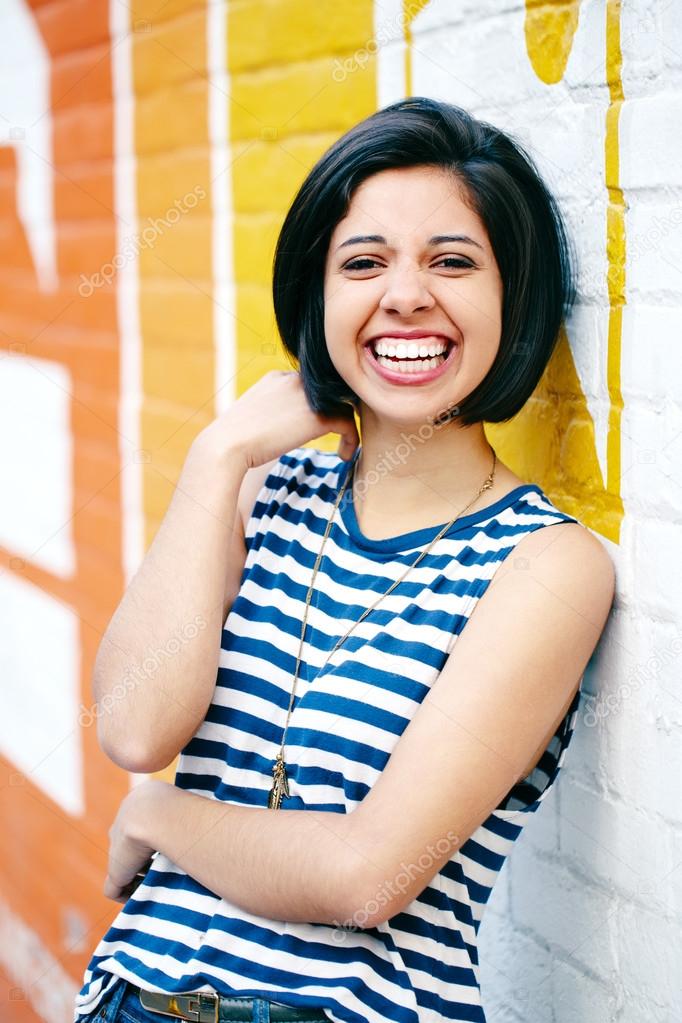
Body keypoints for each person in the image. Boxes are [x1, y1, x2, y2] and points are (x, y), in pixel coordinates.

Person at [73, 97, 615, 1023]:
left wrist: (156, 817)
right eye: (364, 263)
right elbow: (133, 728)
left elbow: (370, 874)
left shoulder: (545, 565)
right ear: (318, 296)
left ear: (512, 298)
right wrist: (215, 459)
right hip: (129, 997)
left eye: (453, 261)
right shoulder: (256, 493)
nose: (405, 295)